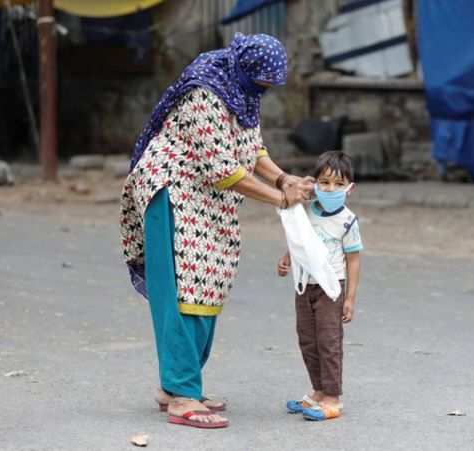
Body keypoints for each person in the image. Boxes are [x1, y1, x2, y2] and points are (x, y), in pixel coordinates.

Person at [119, 32, 314, 429]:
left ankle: (177, 386)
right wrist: (279, 200)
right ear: (246, 70)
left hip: (206, 198)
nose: (263, 91)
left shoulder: (242, 92)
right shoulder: (206, 93)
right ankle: (182, 396)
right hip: (171, 193)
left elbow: (252, 149)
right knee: (182, 292)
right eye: (261, 84)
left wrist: (283, 180)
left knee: (208, 284)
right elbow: (222, 168)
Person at [276, 151, 363, 421]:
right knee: (308, 340)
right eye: (325, 182)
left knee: (329, 342)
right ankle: (318, 390)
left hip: (331, 288)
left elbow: (353, 261)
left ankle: (332, 398)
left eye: (338, 184)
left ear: (350, 188)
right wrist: (288, 258)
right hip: (304, 285)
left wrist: (349, 298)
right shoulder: (307, 212)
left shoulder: (348, 221)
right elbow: (300, 240)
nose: (331, 189)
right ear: (315, 183)